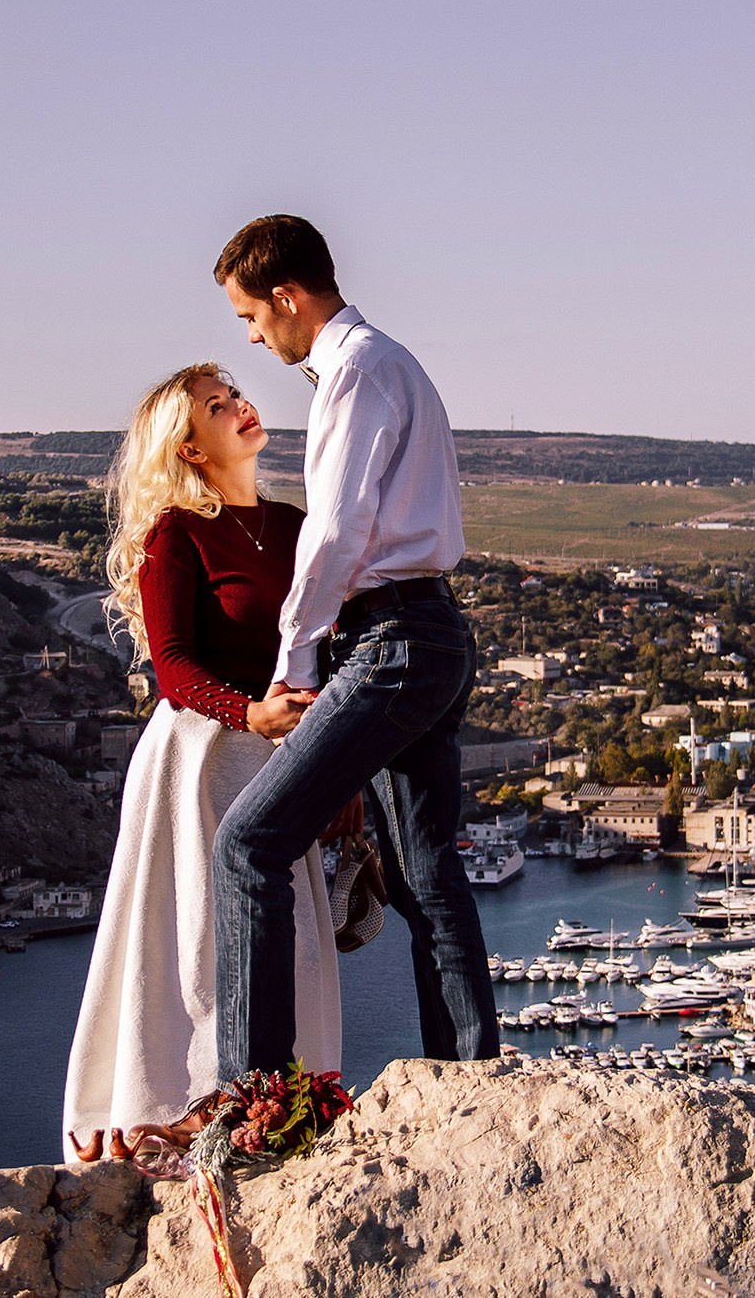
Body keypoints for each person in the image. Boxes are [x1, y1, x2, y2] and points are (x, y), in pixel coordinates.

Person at [210, 214, 500, 1079]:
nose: (254, 337)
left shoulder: (356, 373)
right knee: (425, 876)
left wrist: (293, 665)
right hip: (433, 632)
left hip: (393, 640)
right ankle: (471, 1078)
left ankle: (253, 1095)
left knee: (248, 845)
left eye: (250, 318)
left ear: (287, 297)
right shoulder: (391, 364)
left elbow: (335, 534)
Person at [60, 362, 341, 1162]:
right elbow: (173, 667)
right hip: (200, 759)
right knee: (196, 940)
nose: (243, 407)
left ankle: (283, 1102)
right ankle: (187, 1110)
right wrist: (249, 712)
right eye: (219, 407)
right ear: (189, 448)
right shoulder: (175, 535)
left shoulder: (294, 526)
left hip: (282, 759)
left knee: (287, 941)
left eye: (237, 395)